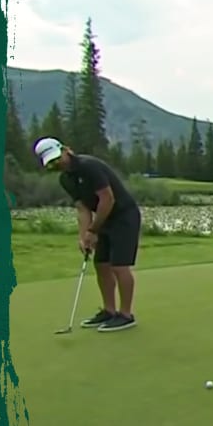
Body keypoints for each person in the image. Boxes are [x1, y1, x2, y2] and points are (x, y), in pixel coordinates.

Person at [35, 137, 143, 332]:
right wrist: (84, 236)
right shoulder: (65, 179)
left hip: (124, 215)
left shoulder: (89, 166)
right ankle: (109, 311)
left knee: (119, 266)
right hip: (104, 219)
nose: (56, 164)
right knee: (101, 264)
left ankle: (126, 315)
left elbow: (107, 199)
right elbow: (83, 209)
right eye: (51, 163)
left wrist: (93, 230)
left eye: (57, 158)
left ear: (65, 150)